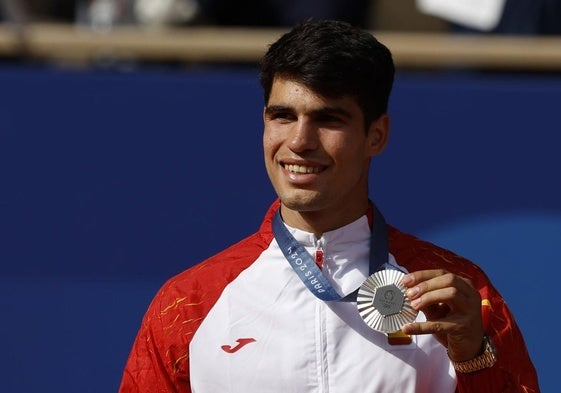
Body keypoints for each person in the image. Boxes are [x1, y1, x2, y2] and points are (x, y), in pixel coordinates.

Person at [119, 19, 539, 392]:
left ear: (376, 135)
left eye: (328, 119)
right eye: (282, 116)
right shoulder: (187, 303)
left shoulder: (461, 294)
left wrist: (473, 359)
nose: (300, 141)